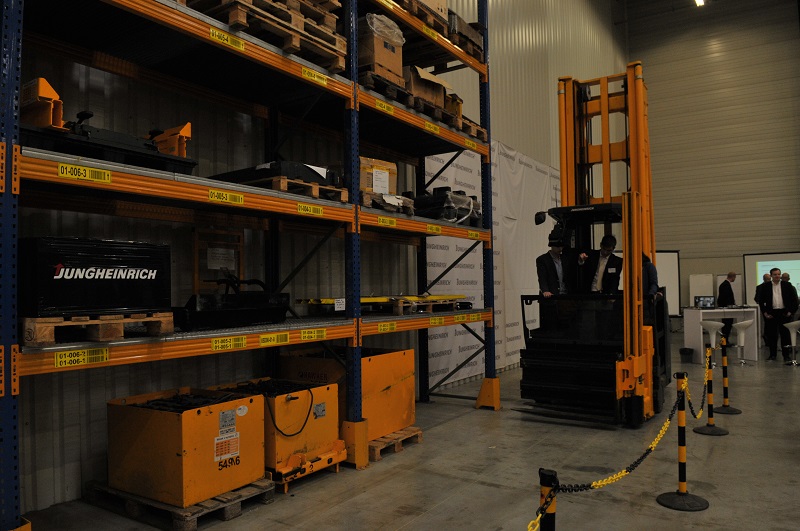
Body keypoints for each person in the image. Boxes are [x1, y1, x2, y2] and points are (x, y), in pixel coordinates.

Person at [758, 267, 799, 362]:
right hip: (771, 313)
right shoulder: (766, 286)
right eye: (775, 274)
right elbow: (761, 301)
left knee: (785, 335)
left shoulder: (787, 285)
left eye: (778, 274)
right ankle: (772, 355)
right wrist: (765, 313)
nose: (777, 276)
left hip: (784, 313)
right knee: (772, 335)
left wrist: (791, 312)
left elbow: (795, 300)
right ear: (771, 276)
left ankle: (786, 355)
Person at [717, 272, 736, 340]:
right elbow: (726, 298)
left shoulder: (724, 284)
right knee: (727, 325)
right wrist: (731, 306)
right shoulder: (726, 285)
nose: (734, 279)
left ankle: (725, 341)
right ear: (733, 277)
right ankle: (725, 341)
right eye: (735, 277)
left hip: (726, 308)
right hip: (727, 308)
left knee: (726, 325)